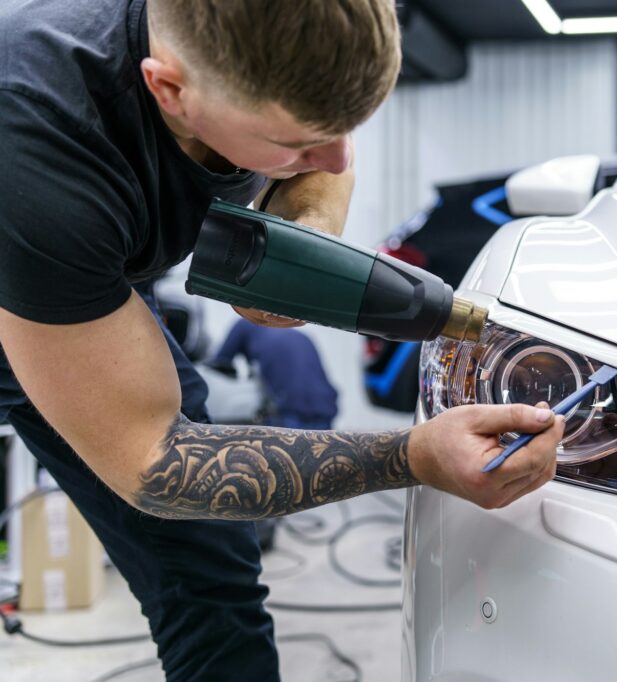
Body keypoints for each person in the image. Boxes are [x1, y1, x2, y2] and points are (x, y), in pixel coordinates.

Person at [0, 2, 564, 680]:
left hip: (93, 265)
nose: (335, 157)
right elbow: (156, 462)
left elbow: (328, 156)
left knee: (209, 567)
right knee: (183, 497)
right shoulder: (41, 149)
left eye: (347, 128)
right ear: (168, 89)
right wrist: (413, 457)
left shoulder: (276, 58)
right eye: (297, 144)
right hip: (30, 274)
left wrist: (309, 227)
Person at [209, 319, 340, 430]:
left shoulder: (245, 324)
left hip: (289, 414)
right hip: (325, 412)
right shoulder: (300, 335)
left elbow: (219, 363)